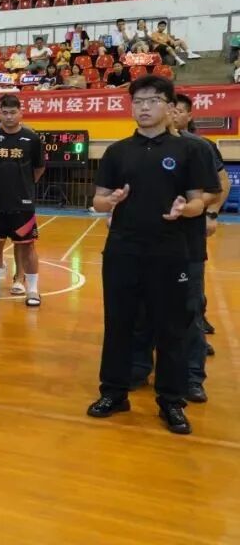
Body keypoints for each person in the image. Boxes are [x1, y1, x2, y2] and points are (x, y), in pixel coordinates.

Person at [87, 76, 217, 435]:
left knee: (171, 327)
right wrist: (110, 201)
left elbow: (198, 201)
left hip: (169, 250)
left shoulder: (189, 150)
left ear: (169, 106)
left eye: (153, 100)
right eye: (138, 101)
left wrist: (185, 209)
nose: (144, 107)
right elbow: (98, 200)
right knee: (118, 323)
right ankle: (113, 392)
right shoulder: (117, 152)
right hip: (122, 249)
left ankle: (171, 400)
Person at [130, 93, 229, 404]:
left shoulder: (198, 147)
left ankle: (191, 376)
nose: (151, 108)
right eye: (141, 102)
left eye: (163, 105)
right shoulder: (135, 147)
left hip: (186, 244)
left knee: (188, 311)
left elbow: (215, 189)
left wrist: (198, 208)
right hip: (144, 244)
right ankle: (139, 368)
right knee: (142, 309)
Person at [0, 95, 45, 307]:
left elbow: (38, 169)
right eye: (4, 112)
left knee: (27, 247)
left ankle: (32, 290)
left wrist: (23, 185)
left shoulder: (32, 139)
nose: (8, 117)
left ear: (21, 112)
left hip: (22, 203)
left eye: (13, 112)